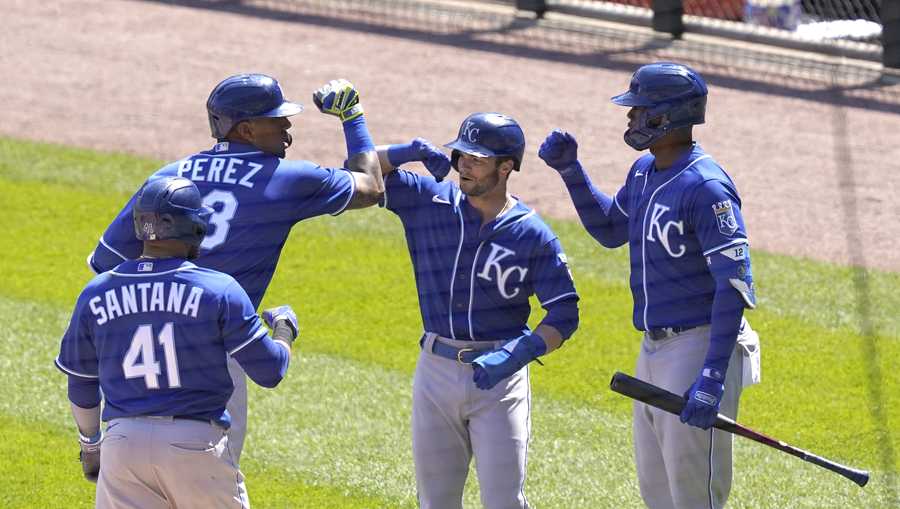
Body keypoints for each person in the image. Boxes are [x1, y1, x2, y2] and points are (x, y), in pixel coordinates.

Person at [86, 74, 383, 467]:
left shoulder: (168, 177)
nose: (287, 128)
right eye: (277, 119)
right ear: (246, 128)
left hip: (141, 354)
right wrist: (352, 116)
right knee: (210, 479)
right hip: (217, 355)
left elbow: (106, 265)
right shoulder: (287, 178)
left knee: (137, 479)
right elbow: (371, 186)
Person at [538, 62, 761, 509]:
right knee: (657, 492)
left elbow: (734, 286)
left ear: (666, 117)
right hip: (654, 349)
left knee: (695, 496)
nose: (629, 118)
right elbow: (608, 229)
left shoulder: (708, 188)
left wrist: (712, 376)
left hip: (698, 347)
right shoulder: (643, 171)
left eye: (638, 110)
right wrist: (570, 171)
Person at [56, 176, 300, 508]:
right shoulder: (218, 289)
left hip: (122, 444)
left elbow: (82, 381)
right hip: (195, 446)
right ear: (193, 226)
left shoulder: (96, 292)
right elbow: (270, 370)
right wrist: (285, 328)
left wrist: (90, 446)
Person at [376, 112, 580, 509]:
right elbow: (362, 168)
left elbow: (564, 313)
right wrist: (408, 151)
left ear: (506, 168)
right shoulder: (429, 200)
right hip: (435, 370)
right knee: (435, 501)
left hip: (500, 382)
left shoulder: (531, 233)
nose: (463, 164)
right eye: (461, 154)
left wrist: (517, 354)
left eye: (477, 158)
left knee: (504, 501)